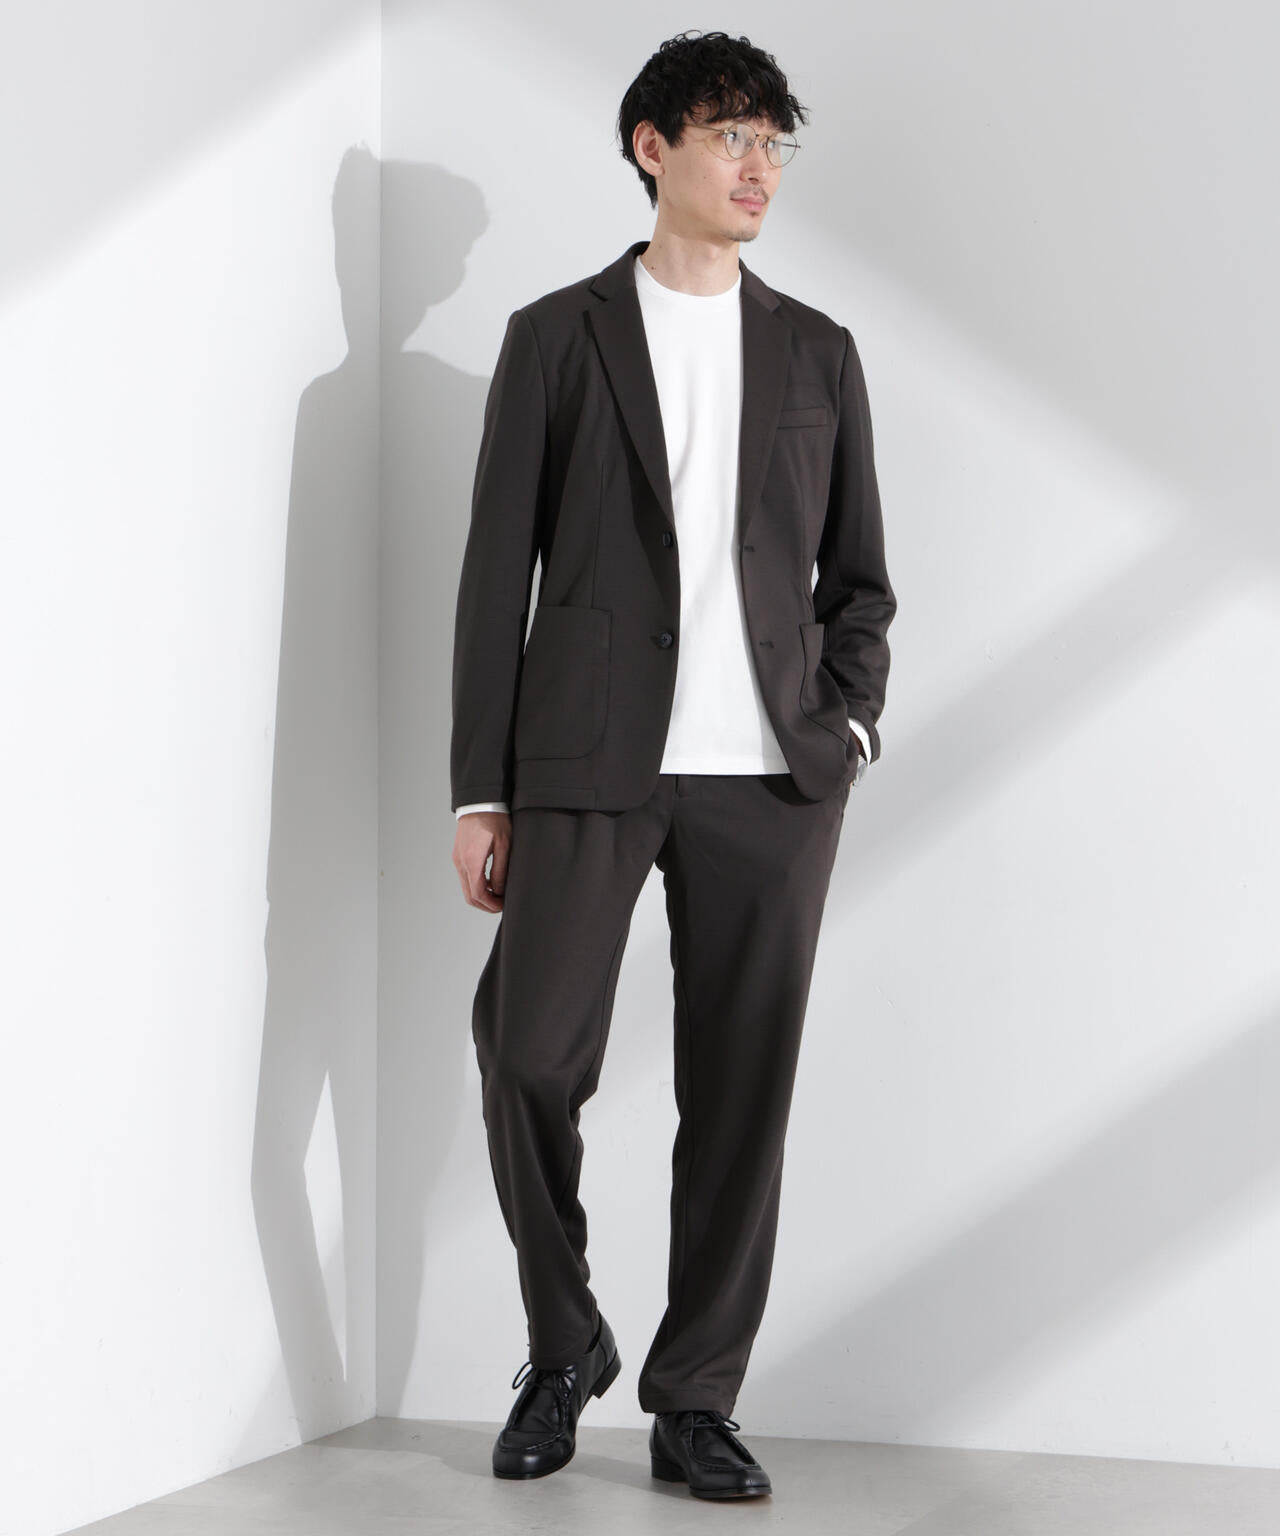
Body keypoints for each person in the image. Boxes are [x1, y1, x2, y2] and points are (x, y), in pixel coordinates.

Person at [449, 29, 895, 1501]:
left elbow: (860, 582)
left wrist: (848, 723)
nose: (759, 168)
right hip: (588, 762)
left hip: (771, 780)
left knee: (740, 1092)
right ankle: (564, 1339)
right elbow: (493, 581)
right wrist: (481, 787)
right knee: (526, 1052)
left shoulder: (820, 351)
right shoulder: (556, 337)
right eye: (730, 138)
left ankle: (696, 1398)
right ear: (653, 148)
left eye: (774, 143)